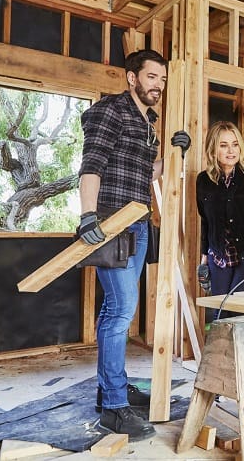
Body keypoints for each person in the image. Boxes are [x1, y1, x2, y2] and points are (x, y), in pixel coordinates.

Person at [78, 49, 191, 441]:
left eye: (162, 78)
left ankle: (109, 387)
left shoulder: (150, 121)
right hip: (112, 220)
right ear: (132, 78)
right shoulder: (112, 110)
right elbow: (91, 163)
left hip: (140, 221)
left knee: (118, 309)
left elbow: (148, 171)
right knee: (121, 311)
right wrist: (88, 215)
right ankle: (113, 406)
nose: (157, 84)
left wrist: (174, 151)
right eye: (151, 77)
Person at [196, 121, 244, 316]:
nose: (231, 151)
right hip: (217, 259)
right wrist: (204, 257)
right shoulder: (203, 181)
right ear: (213, 149)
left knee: (240, 315)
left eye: (235, 144)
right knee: (218, 315)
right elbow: (206, 221)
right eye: (223, 145)